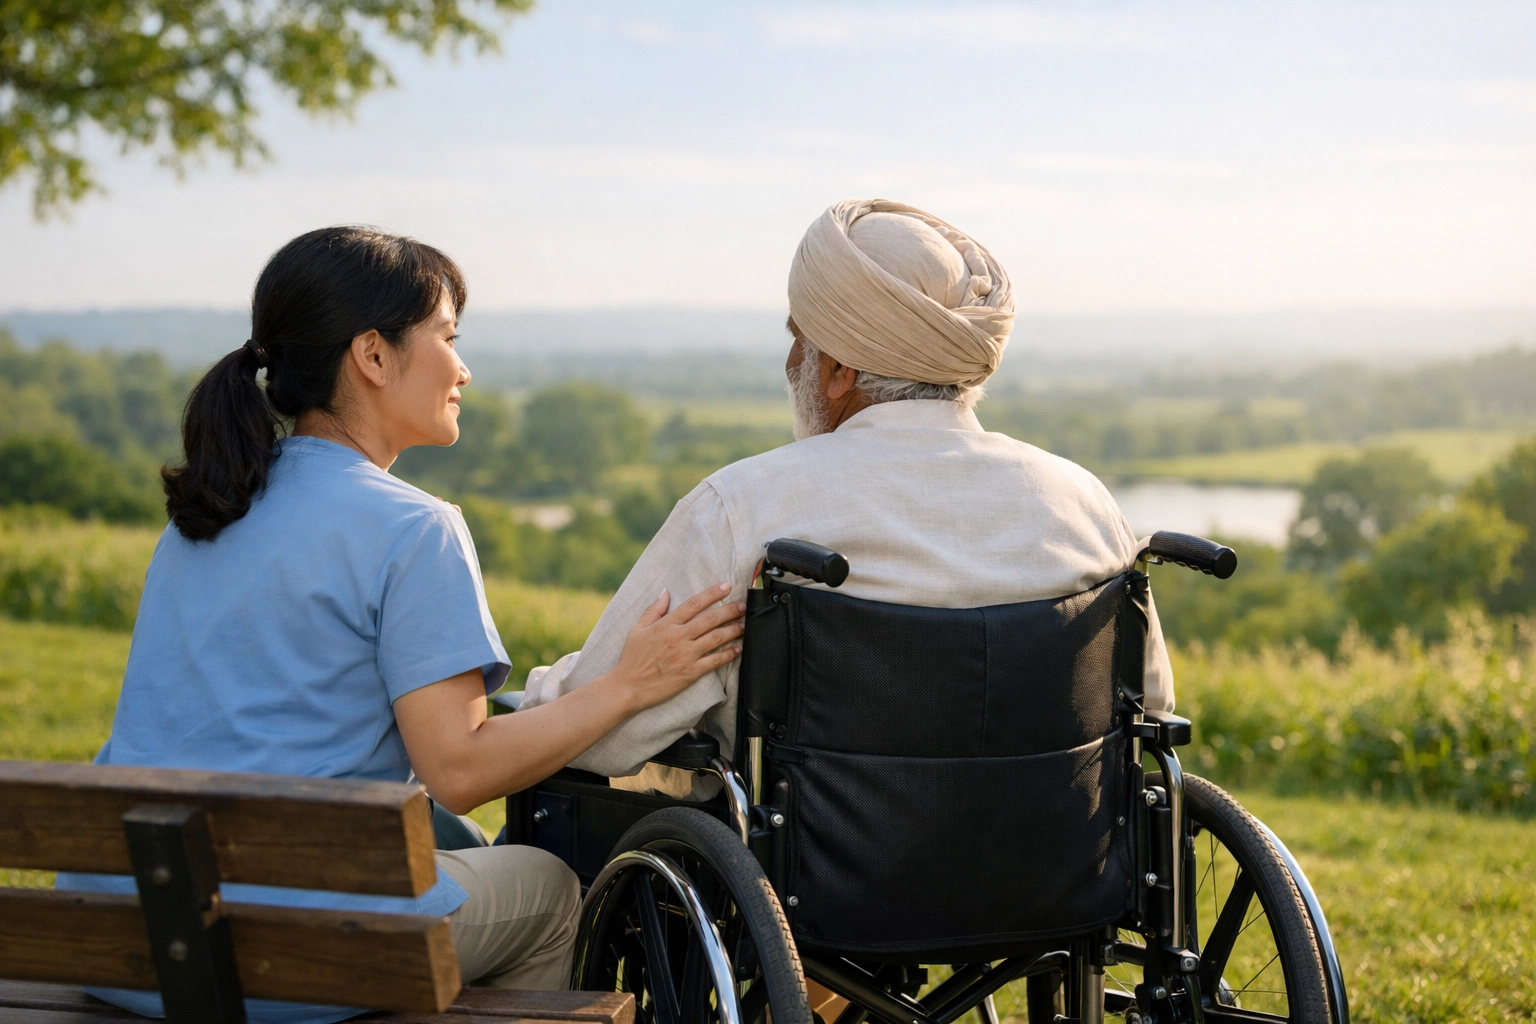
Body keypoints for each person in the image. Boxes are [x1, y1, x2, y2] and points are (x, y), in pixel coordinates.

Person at [53, 227, 745, 1024]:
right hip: (288, 959)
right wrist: (632, 683)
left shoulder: (206, 512)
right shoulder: (415, 529)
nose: (463, 368)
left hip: (130, 939)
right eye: (447, 339)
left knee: (442, 838)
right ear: (373, 357)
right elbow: (459, 766)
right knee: (550, 889)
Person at [521, 198, 1175, 802]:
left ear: (836, 373)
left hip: (815, 904)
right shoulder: (1083, 505)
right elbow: (1150, 707)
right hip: (1059, 884)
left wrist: (544, 693)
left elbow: (601, 733)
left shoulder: (742, 510)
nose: (789, 365)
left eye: (797, 341)